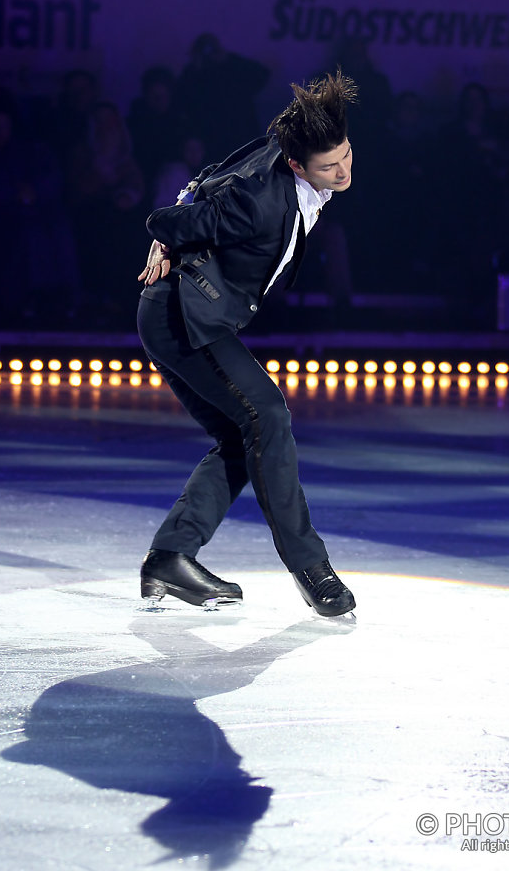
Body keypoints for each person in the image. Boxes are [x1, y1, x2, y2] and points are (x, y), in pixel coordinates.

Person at [136, 71, 358, 617]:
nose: (343, 171)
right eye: (329, 167)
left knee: (245, 436)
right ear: (297, 166)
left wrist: (182, 220)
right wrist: (168, 236)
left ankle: (170, 557)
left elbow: (208, 176)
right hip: (181, 314)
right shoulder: (262, 202)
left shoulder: (285, 150)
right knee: (268, 417)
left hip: (197, 315)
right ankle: (312, 569)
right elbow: (169, 214)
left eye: (347, 156)